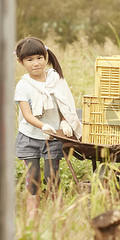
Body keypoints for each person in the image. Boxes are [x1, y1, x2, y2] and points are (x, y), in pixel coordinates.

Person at [13, 37, 82, 219]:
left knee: (52, 174)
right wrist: (43, 125)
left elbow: (64, 104)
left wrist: (64, 121)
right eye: (29, 60)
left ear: (45, 56)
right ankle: (32, 214)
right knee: (33, 176)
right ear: (21, 62)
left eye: (39, 58)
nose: (35, 63)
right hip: (30, 137)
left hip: (52, 139)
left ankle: (57, 210)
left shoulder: (55, 79)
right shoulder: (23, 86)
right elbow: (27, 115)